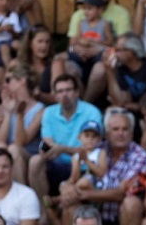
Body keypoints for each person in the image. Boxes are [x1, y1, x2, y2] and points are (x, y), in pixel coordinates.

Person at [58, 108, 146, 225]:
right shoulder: (95, 148)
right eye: (115, 129)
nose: (120, 133)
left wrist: (83, 194)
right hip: (94, 212)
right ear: (107, 134)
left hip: (122, 216)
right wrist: (66, 187)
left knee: (132, 203)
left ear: (132, 133)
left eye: (125, 129)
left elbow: (120, 194)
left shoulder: (141, 156)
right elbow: (73, 178)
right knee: (69, 204)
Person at [27, 73, 102, 210]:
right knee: (35, 161)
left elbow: (92, 148)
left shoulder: (92, 112)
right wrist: (48, 150)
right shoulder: (49, 112)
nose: (64, 95)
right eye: (60, 91)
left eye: (68, 90)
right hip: (57, 162)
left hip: (84, 165)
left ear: (77, 92)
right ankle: (43, 213)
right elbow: (48, 142)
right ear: (55, 96)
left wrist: (62, 149)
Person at [57, 0, 131, 102]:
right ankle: (70, 102)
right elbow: (72, 43)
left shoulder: (119, 14)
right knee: (66, 65)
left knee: (101, 67)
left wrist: (97, 48)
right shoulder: (79, 17)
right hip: (81, 55)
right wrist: (79, 49)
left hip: (102, 55)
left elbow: (119, 46)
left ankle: (86, 103)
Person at [0, 63, 43, 184]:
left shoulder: (40, 109)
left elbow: (21, 142)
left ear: (22, 81)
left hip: (29, 154)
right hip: (9, 153)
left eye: (8, 80)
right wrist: (8, 113)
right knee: (0, 147)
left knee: (14, 149)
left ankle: (21, 193)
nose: (4, 85)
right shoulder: (2, 107)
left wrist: (19, 114)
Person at [101, 32, 146, 113]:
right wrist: (109, 71)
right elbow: (118, 101)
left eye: (118, 50)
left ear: (130, 53)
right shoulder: (121, 68)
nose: (115, 54)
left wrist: (134, 106)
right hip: (131, 113)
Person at [62, 0, 114, 90]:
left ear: (100, 10)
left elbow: (110, 42)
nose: (86, 12)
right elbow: (75, 41)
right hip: (83, 54)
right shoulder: (82, 23)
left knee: (107, 52)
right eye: (85, 9)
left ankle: (87, 98)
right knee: (71, 53)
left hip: (97, 54)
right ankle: (81, 96)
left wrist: (93, 43)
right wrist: (80, 45)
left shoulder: (104, 24)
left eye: (90, 9)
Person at [12, 24, 55, 105]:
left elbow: (58, 97)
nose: (44, 46)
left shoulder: (55, 64)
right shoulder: (16, 64)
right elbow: (7, 91)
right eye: (40, 41)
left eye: (47, 42)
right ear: (30, 43)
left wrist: (39, 95)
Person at [65, 119, 108, 191]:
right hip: (79, 186)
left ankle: (57, 199)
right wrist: (66, 185)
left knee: (84, 182)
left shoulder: (101, 153)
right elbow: (74, 178)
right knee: (64, 185)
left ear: (99, 139)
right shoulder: (76, 156)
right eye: (87, 136)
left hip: (97, 187)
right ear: (79, 137)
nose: (90, 139)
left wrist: (86, 160)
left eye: (94, 136)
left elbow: (101, 173)